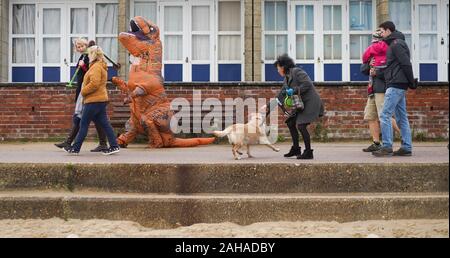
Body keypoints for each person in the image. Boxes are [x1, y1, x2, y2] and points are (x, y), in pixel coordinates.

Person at [265, 54, 324, 159]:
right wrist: (269, 106)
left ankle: (308, 152)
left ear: (283, 67)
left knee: (301, 125)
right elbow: (282, 94)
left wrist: (294, 90)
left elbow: (307, 84)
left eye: (278, 68)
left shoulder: (297, 72)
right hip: (301, 104)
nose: (278, 70)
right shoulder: (287, 78)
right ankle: (296, 148)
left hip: (310, 102)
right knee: (291, 122)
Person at [64, 46, 120, 155]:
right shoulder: (98, 66)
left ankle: (75, 148)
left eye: (89, 54)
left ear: (93, 55)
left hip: (94, 100)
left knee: (83, 124)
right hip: (100, 99)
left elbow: (94, 83)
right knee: (105, 124)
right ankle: (114, 146)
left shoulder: (96, 67)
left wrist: (83, 91)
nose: (88, 56)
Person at [372, 21, 417, 157]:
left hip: (396, 85)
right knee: (401, 117)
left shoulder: (396, 44)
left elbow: (405, 63)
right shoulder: (395, 44)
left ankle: (387, 146)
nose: (380, 34)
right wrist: (378, 73)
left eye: (381, 31)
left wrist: (411, 81)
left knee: (384, 115)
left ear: (388, 30)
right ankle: (406, 147)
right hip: (398, 84)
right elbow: (393, 67)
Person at [54, 38, 108, 152]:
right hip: (82, 90)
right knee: (94, 119)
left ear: (86, 46)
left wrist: (83, 66)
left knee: (80, 118)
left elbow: (91, 72)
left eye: (82, 46)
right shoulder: (83, 56)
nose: (79, 48)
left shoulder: (90, 56)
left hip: (87, 92)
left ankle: (70, 143)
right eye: (77, 47)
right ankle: (102, 143)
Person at [361, 30, 400, 152]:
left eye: (377, 40)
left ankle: (405, 136)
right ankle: (376, 143)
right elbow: (363, 69)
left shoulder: (389, 52)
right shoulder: (373, 53)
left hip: (382, 88)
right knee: (371, 116)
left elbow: (390, 73)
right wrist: (369, 65)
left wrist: (377, 72)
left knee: (385, 115)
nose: (374, 43)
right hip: (372, 88)